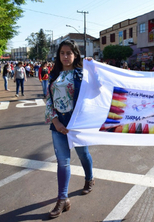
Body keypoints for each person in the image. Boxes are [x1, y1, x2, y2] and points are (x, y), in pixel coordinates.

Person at [45, 40, 94, 218]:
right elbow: (49, 99)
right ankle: (62, 200)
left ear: (75, 54)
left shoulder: (82, 74)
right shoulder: (54, 74)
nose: (65, 56)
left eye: (69, 53)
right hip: (58, 123)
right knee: (63, 162)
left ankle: (89, 179)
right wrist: (56, 122)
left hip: (77, 123)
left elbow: (99, 90)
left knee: (82, 154)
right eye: (62, 53)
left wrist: (94, 68)